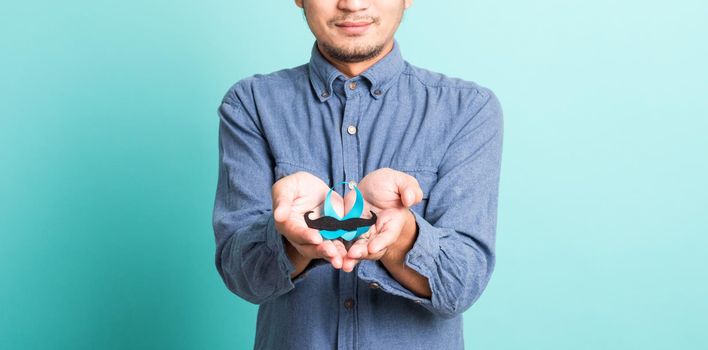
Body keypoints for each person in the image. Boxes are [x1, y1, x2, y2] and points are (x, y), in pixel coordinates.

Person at [212, 0, 504, 348]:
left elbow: (460, 286)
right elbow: (244, 278)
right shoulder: (251, 105)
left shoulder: (467, 110)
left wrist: (400, 237)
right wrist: (295, 237)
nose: (352, 4)